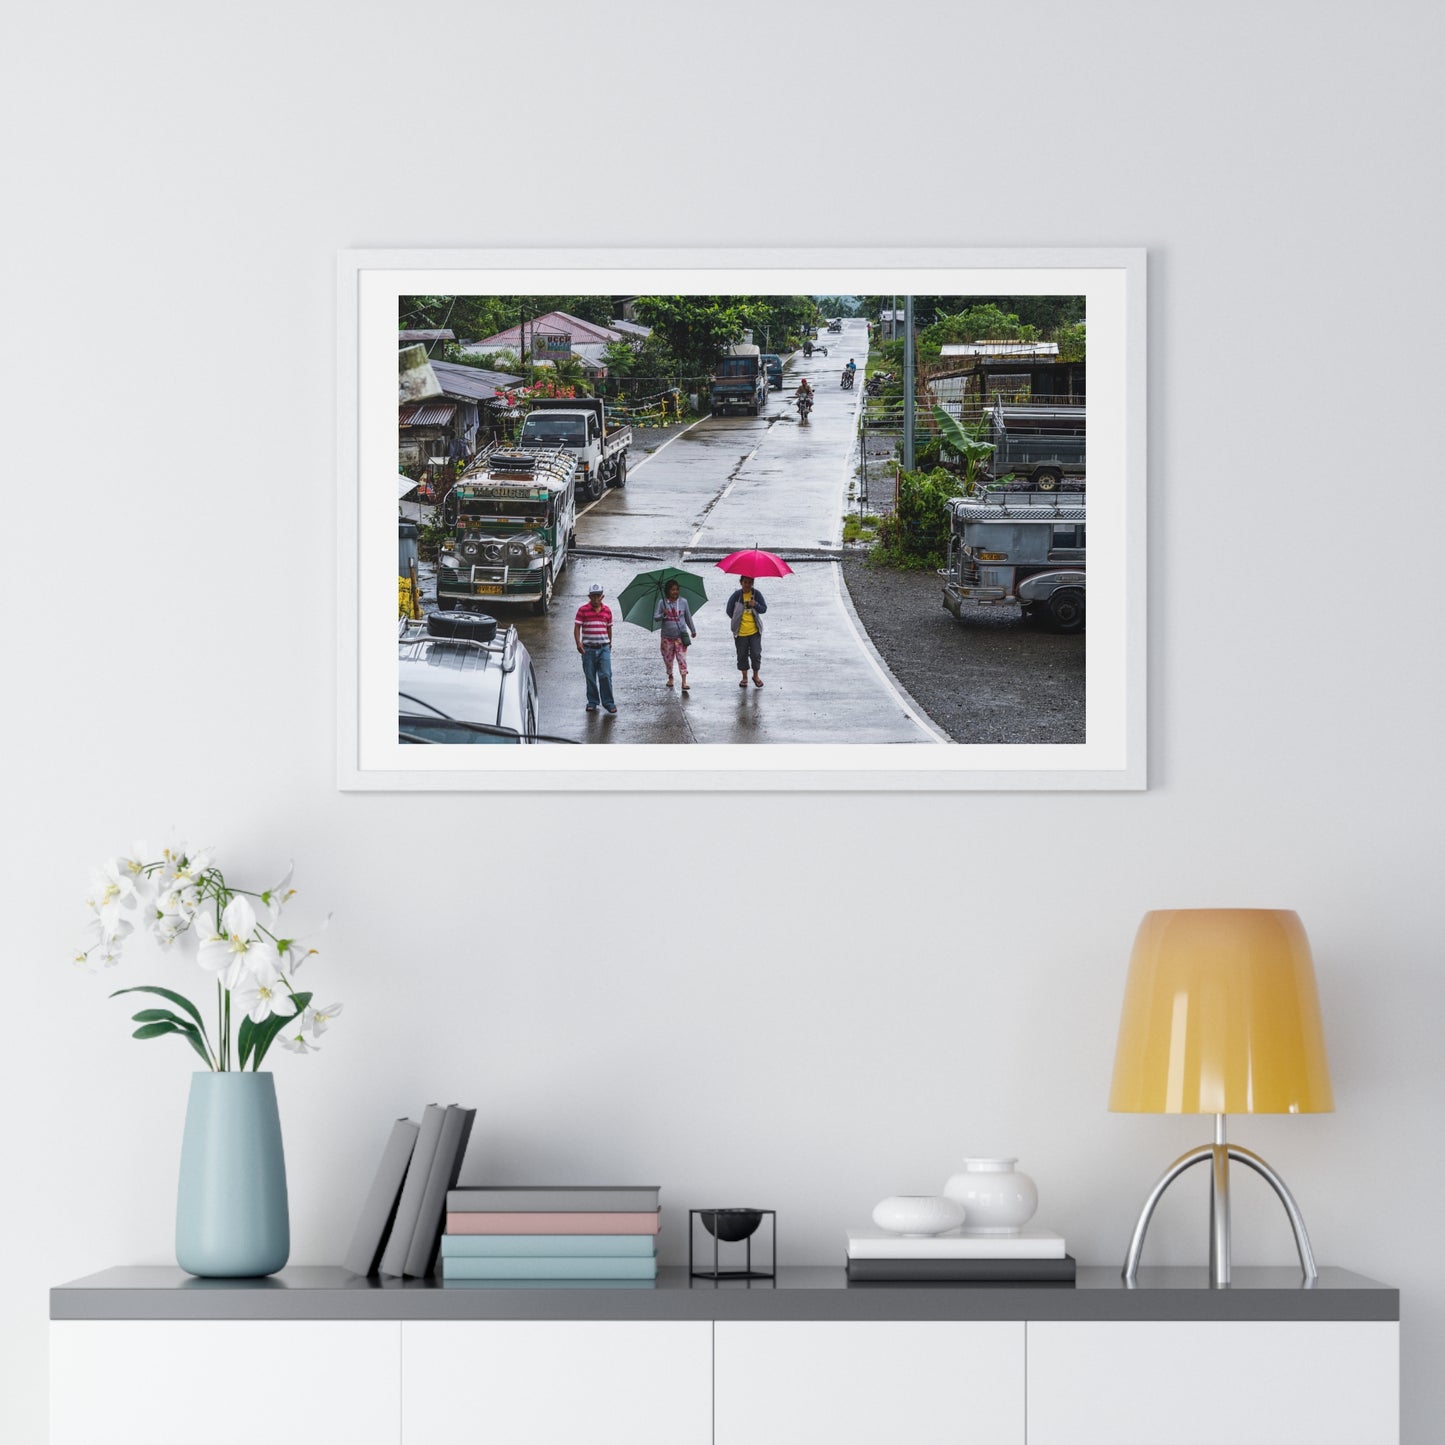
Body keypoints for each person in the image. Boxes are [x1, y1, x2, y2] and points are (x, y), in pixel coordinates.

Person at [573, 582, 616, 714]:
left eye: (598, 596)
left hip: (603, 648)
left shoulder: (607, 611)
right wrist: (578, 643)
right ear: (589, 596)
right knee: (590, 676)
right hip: (588, 649)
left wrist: (609, 643)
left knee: (605, 675)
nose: (596, 599)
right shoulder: (582, 610)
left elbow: (609, 628)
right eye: (593, 596)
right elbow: (577, 627)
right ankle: (592, 701)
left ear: (602, 596)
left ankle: (608, 702)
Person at [653, 578, 697, 691]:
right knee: (668, 659)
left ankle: (684, 681)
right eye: (672, 590)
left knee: (682, 658)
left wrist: (693, 630)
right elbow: (656, 617)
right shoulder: (662, 603)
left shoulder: (683, 602)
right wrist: (663, 613)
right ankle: (670, 677)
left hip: (680, 637)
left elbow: (688, 617)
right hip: (666, 637)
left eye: (677, 589)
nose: (675, 592)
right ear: (668, 591)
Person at [726, 575, 768, 688]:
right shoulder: (736, 596)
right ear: (741, 582)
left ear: (753, 583)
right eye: (745, 582)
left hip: (754, 631)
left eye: (750, 582)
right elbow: (729, 610)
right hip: (740, 633)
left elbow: (764, 609)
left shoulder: (756, 594)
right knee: (742, 655)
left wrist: (756, 605)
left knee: (756, 654)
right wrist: (737, 619)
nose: (747, 585)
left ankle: (755, 676)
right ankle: (744, 677)